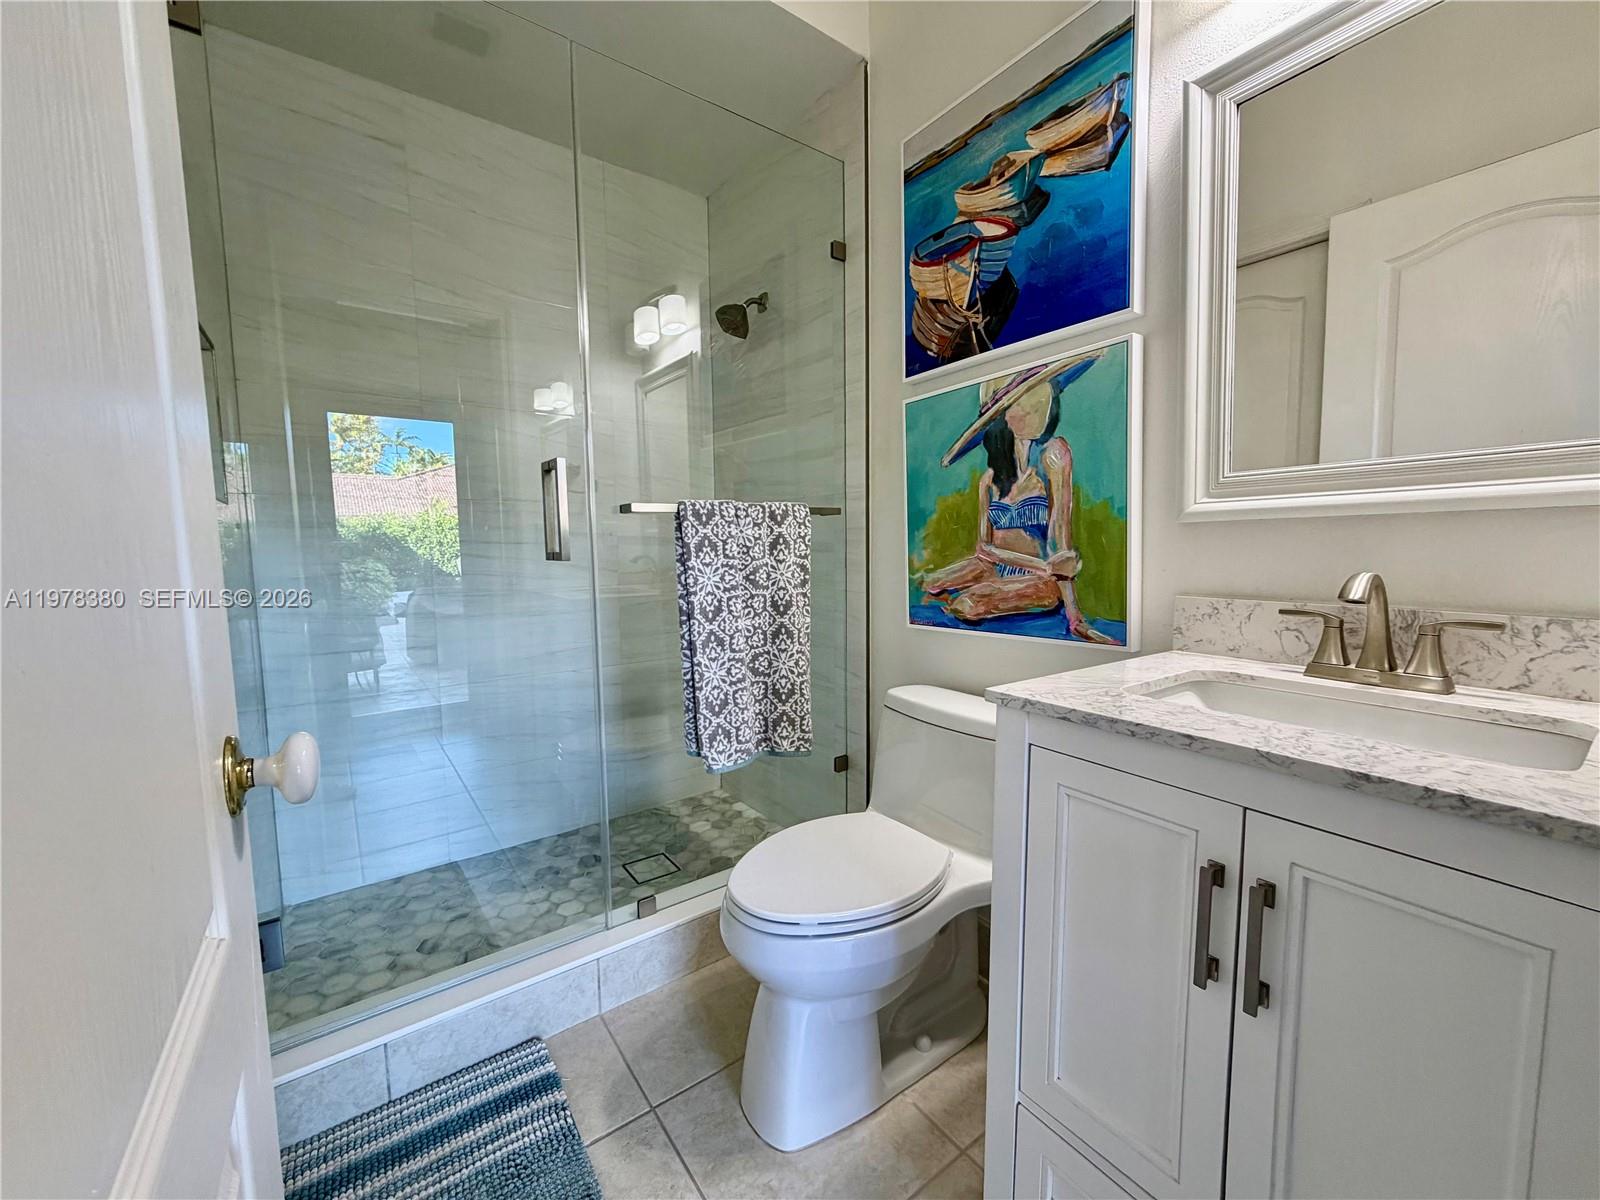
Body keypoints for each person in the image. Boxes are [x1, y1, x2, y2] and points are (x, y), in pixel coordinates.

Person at [920, 353, 1115, 644]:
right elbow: (984, 549)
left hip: (1042, 581)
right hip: (996, 568)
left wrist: (1076, 620)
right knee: (930, 584)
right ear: (1002, 417)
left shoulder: (1055, 455)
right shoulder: (989, 478)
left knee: (968, 604)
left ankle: (987, 596)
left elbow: (1060, 545)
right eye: (1019, 402)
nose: (1032, 409)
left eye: (1037, 397)